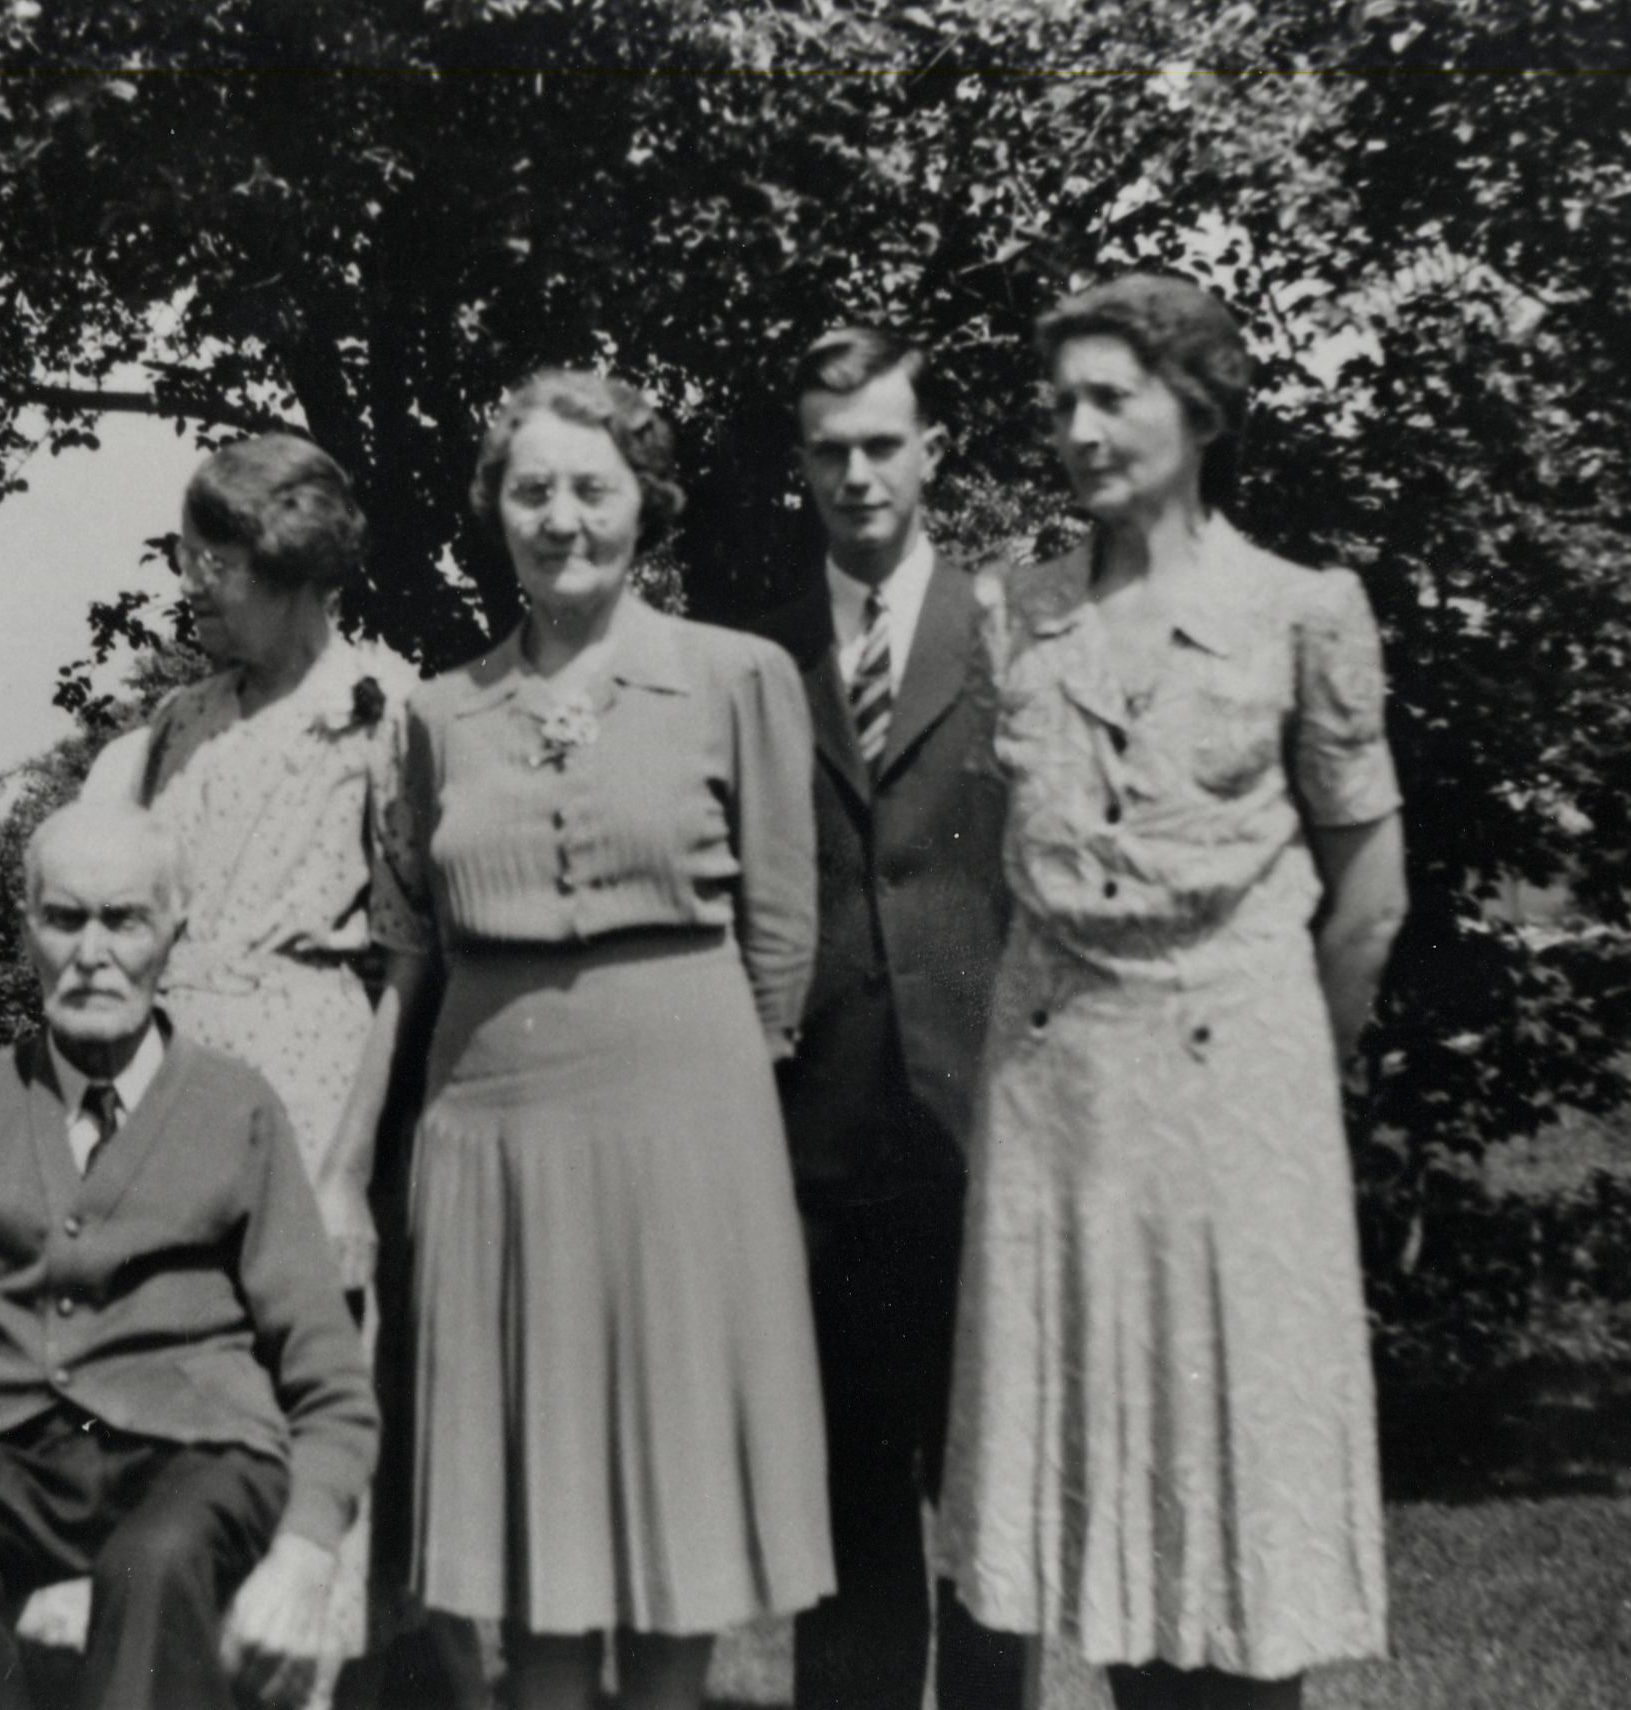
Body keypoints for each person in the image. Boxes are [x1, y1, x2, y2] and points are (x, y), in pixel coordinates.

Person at [939, 274, 1410, 1710]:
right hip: (1060, 1105)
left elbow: (1370, 892)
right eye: (1059, 406)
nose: (1077, 431)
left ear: (1200, 409)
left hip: (1237, 1109)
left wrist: (1282, 1077)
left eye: (1111, 397)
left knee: (1233, 1492)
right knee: (1101, 1504)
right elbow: (989, 872)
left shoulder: (1300, 612)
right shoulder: (1014, 615)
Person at [375, 370, 833, 1710]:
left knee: (672, 1506)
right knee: (532, 1521)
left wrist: (724, 1113)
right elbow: (418, 926)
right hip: (494, 1138)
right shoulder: (438, 712)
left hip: (686, 1128)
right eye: (531, 491)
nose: (560, 518)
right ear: (495, 514)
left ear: (648, 504)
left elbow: (783, 928)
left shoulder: (735, 677)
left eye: (592, 487)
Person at [0, 798, 381, 1710]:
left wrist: (308, 1544)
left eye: (124, 920)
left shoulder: (237, 1110)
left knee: (155, 1561)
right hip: (9, 1449)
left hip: (204, 1453)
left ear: (174, 932)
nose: (92, 953)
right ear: (28, 930)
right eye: (65, 918)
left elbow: (326, 1370)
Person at [79, 431, 440, 1710]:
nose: (192, 584)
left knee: (298, 1416)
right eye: (189, 556)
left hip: (309, 1091)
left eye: (217, 562)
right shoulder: (175, 726)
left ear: (293, 564)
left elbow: (408, 957)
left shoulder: (386, 713)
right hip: (171, 1098)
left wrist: (346, 1173)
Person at [744, 326, 1030, 1710]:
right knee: (845, 1510)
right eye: (828, 450)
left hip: (985, 1121)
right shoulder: (757, 652)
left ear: (933, 452)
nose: (855, 475)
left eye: (880, 445)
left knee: (986, 1515)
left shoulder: (1013, 636)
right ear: (801, 464)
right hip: (818, 1131)